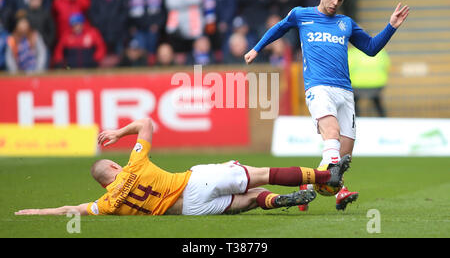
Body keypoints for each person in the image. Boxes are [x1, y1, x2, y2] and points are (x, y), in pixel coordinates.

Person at [244, 0, 409, 211]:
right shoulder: (301, 15)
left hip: (344, 91)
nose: (335, 2)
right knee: (331, 133)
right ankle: (339, 191)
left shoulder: (346, 23)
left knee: (344, 155)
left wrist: (391, 26)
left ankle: (307, 186)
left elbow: (371, 48)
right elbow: (278, 29)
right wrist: (256, 49)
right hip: (318, 87)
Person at [14, 118, 351, 216]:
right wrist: (118, 132)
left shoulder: (106, 205)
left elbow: (71, 209)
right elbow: (146, 123)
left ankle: (281, 201)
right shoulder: (133, 165)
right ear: (115, 166)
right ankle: (326, 176)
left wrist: (37, 212)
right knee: (261, 174)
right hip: (193, 182)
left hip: (191, 210)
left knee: (250, 199)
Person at [348, 46, 390, 117]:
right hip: (377, 84)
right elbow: (386, 66)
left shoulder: (352, 52)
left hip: (357, 85)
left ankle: (355, 118)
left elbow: (346, 68)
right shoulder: (380, 52)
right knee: (376, 100)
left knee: (353, 102)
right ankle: (383, 118)